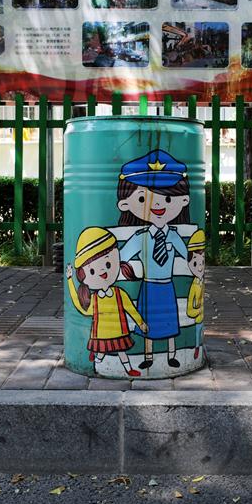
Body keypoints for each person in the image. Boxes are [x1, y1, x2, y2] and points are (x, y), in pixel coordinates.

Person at [117, 149, 190, 369]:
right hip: (148, 286)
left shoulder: (173, 236)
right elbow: (123, 256)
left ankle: (171, 355)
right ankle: (148, 357)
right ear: (125, 204)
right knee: (148, 323)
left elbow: (187, 254)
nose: (157, 205)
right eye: (143, 198)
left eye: (167, 198)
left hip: (166, 286)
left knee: (169, 322)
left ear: (184, 200)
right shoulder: (140, 237)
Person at [66, 227, 147, 377]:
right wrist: (70, 281)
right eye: (91, 271)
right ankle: (96, 360)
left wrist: (140, 323)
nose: (103, 271)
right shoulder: (95, 299)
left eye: (109, 264)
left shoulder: (119, 293)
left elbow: (130, 308)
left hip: (119, 332)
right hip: (101, 334)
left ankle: (128, 369)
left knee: (121, 351)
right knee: (102, 353)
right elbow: (80, 306)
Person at [186, 229, 206, 360]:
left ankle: (197, 349)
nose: (199, 268)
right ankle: (197, 349)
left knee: (199, 332)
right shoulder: (193, 285)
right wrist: (198, 311)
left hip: (199, 320)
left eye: (202, 262)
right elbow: (189, 310)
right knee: (197, 333)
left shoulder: (199, 281)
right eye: (195, 263)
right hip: (197, 317)